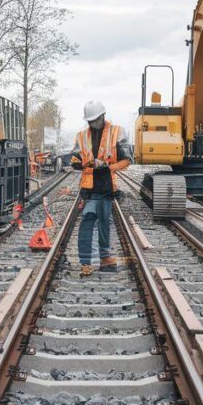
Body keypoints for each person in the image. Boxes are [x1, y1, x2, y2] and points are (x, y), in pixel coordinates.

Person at [70, 100, 132, 277]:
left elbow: (126, 160)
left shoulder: (116, 133)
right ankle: (85, 262)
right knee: (88, 220)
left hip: (105, 187)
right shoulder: (81, 136)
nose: (92, 124)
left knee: (105, 223)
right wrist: (80, 163)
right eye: (89, 121)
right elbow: (74, 159)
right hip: (89, 190)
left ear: (102, 116)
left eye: (94, 120)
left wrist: (106, 166)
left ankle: (105, 258)